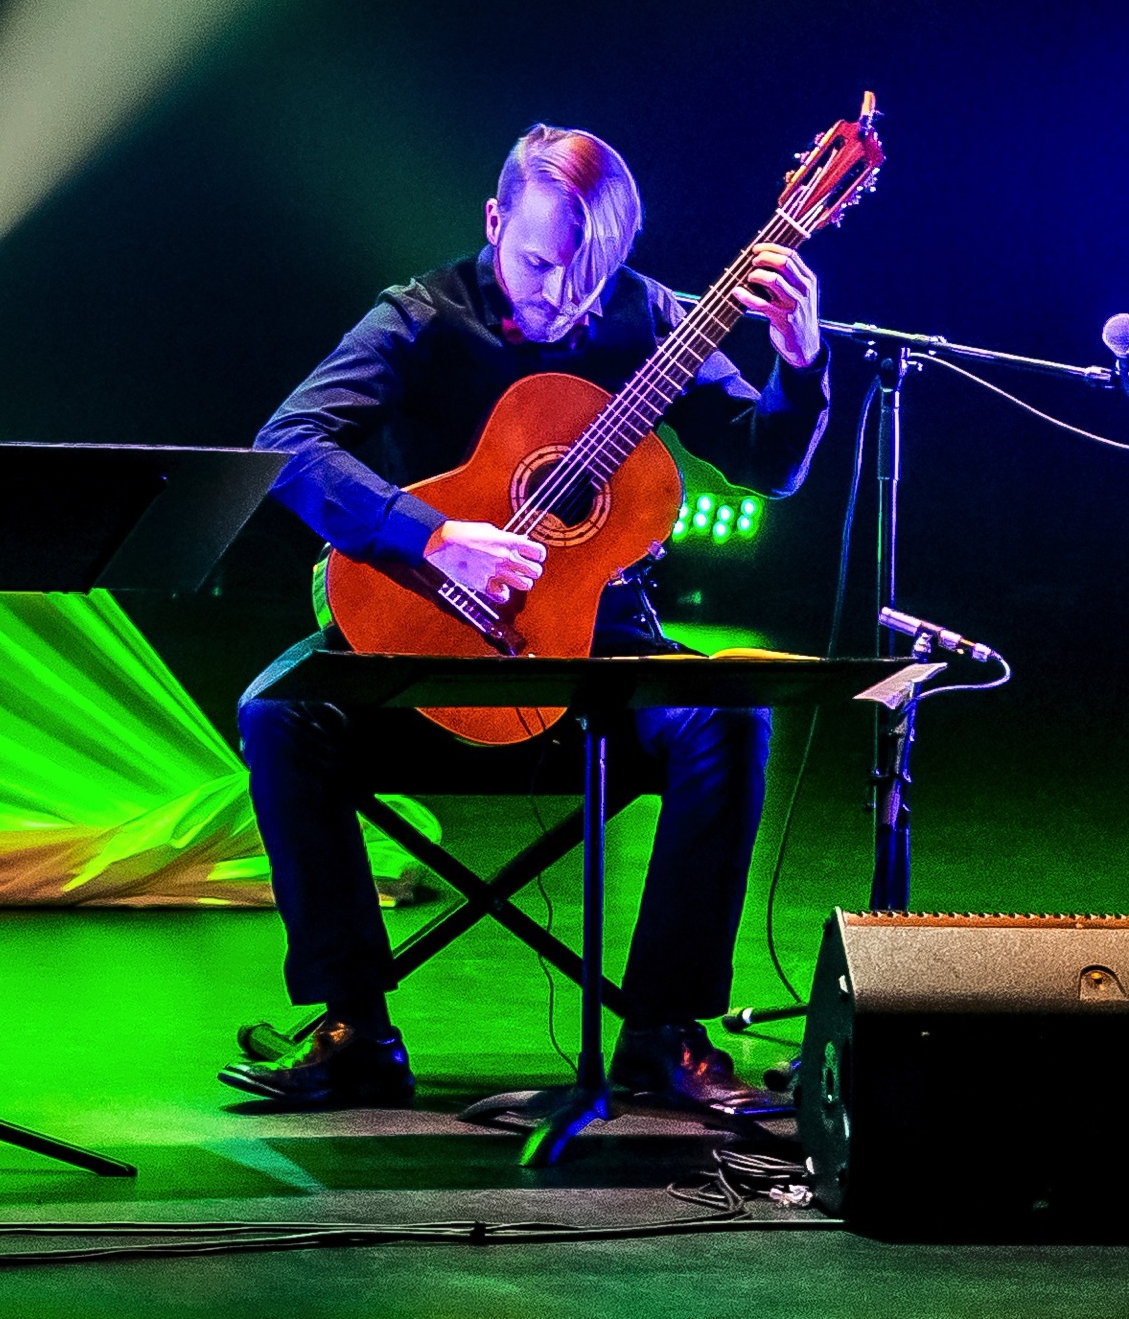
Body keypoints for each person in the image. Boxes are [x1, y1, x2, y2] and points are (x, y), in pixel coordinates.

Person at [226, 123, 835, 1121]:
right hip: (427, 645)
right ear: (493, 220)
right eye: (541, 264)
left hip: (597, 652)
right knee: (277, 711)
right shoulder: (420, 315)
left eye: (588, 274)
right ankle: (355, 1030)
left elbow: (767, 463)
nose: (562, 297)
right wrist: (428, 535)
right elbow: (287, 441)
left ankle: (664, 1030)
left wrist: (801, 364)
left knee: (729, 714)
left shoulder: (655, 318)